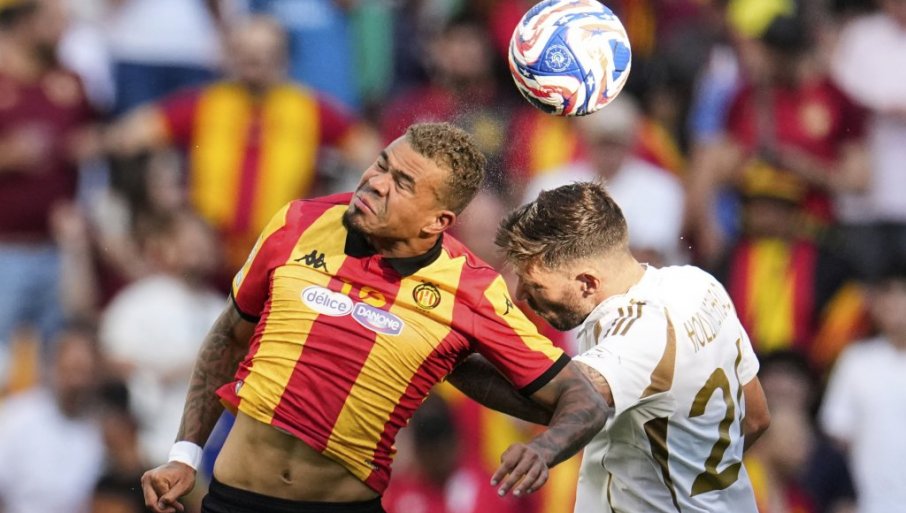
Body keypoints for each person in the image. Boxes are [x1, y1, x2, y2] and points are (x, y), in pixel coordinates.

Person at [140, 122, 607, 513]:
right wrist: (184, 455)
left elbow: (582, 400)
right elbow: (227, 337)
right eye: (382, 164)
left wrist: (543, 449)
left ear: (437, 222)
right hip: (233, 500)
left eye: (402, 183)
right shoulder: (298, 222)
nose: (376, 182)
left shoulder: (472, 290)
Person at [492, 182, 771, 512]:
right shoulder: (697, 284)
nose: (521, 294)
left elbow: (566, 396)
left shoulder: (636, 335)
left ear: (587, 283)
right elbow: (756, 417)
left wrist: (453, 355)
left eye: (536, 285)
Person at [108, 14, 380, 271]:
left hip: (280, 252)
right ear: (230, 55)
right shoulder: (207, 103)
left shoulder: (309, 109)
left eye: (266, 52)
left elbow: (370, 151)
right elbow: (129, 136)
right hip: (209, 256)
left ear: (284, 58)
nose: (255, 60)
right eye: (245, 51)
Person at [820, 264, 906, 513]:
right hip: (868, 504)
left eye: (900, 294)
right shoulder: (855, 360)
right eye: (885, 294)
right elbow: (837, 434)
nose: (893, 304)